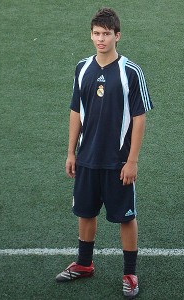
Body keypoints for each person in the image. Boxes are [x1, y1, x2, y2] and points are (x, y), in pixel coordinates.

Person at [56, 7, 153, 298]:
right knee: (85, 212)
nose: (100, 39)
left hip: (117, 162)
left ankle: (130, 273)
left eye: (106, 34)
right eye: (96, 33)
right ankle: (84, 264)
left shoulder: (131, 72)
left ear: (117, 36)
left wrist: (132, 160)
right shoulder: (82, 68)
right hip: (87, 158)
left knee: (125, 217)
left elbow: (139, 118)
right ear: (91, 34)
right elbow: (76, 111)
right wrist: (71, 152)